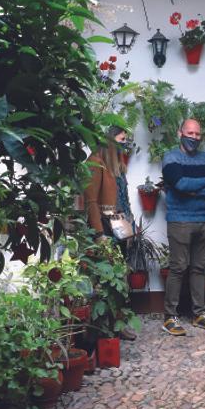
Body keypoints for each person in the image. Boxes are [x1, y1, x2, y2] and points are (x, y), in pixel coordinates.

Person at [160, 119, 205, 336]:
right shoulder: (170, 158)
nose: (194, 138)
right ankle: (170, 317)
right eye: (190, 133)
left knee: (199, 267)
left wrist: (197, 188)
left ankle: (200, 314)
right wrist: (204, 182)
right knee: (178, 267)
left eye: (197, 134)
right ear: (180, 133)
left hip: (204, 220)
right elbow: (180, 184)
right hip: (180, 220)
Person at [83, 126, 137, 340]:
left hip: (119, 226)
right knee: (105, 279)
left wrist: (131, 227)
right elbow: (91, 201)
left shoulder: (117, 166)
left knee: (120, 276)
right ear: (110, 140)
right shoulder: (95, 162)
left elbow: (123, 198)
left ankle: (118, 324)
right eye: (122, 140)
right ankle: (103, 328)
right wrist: (98, 234)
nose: (125, 144)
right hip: (105, 228)